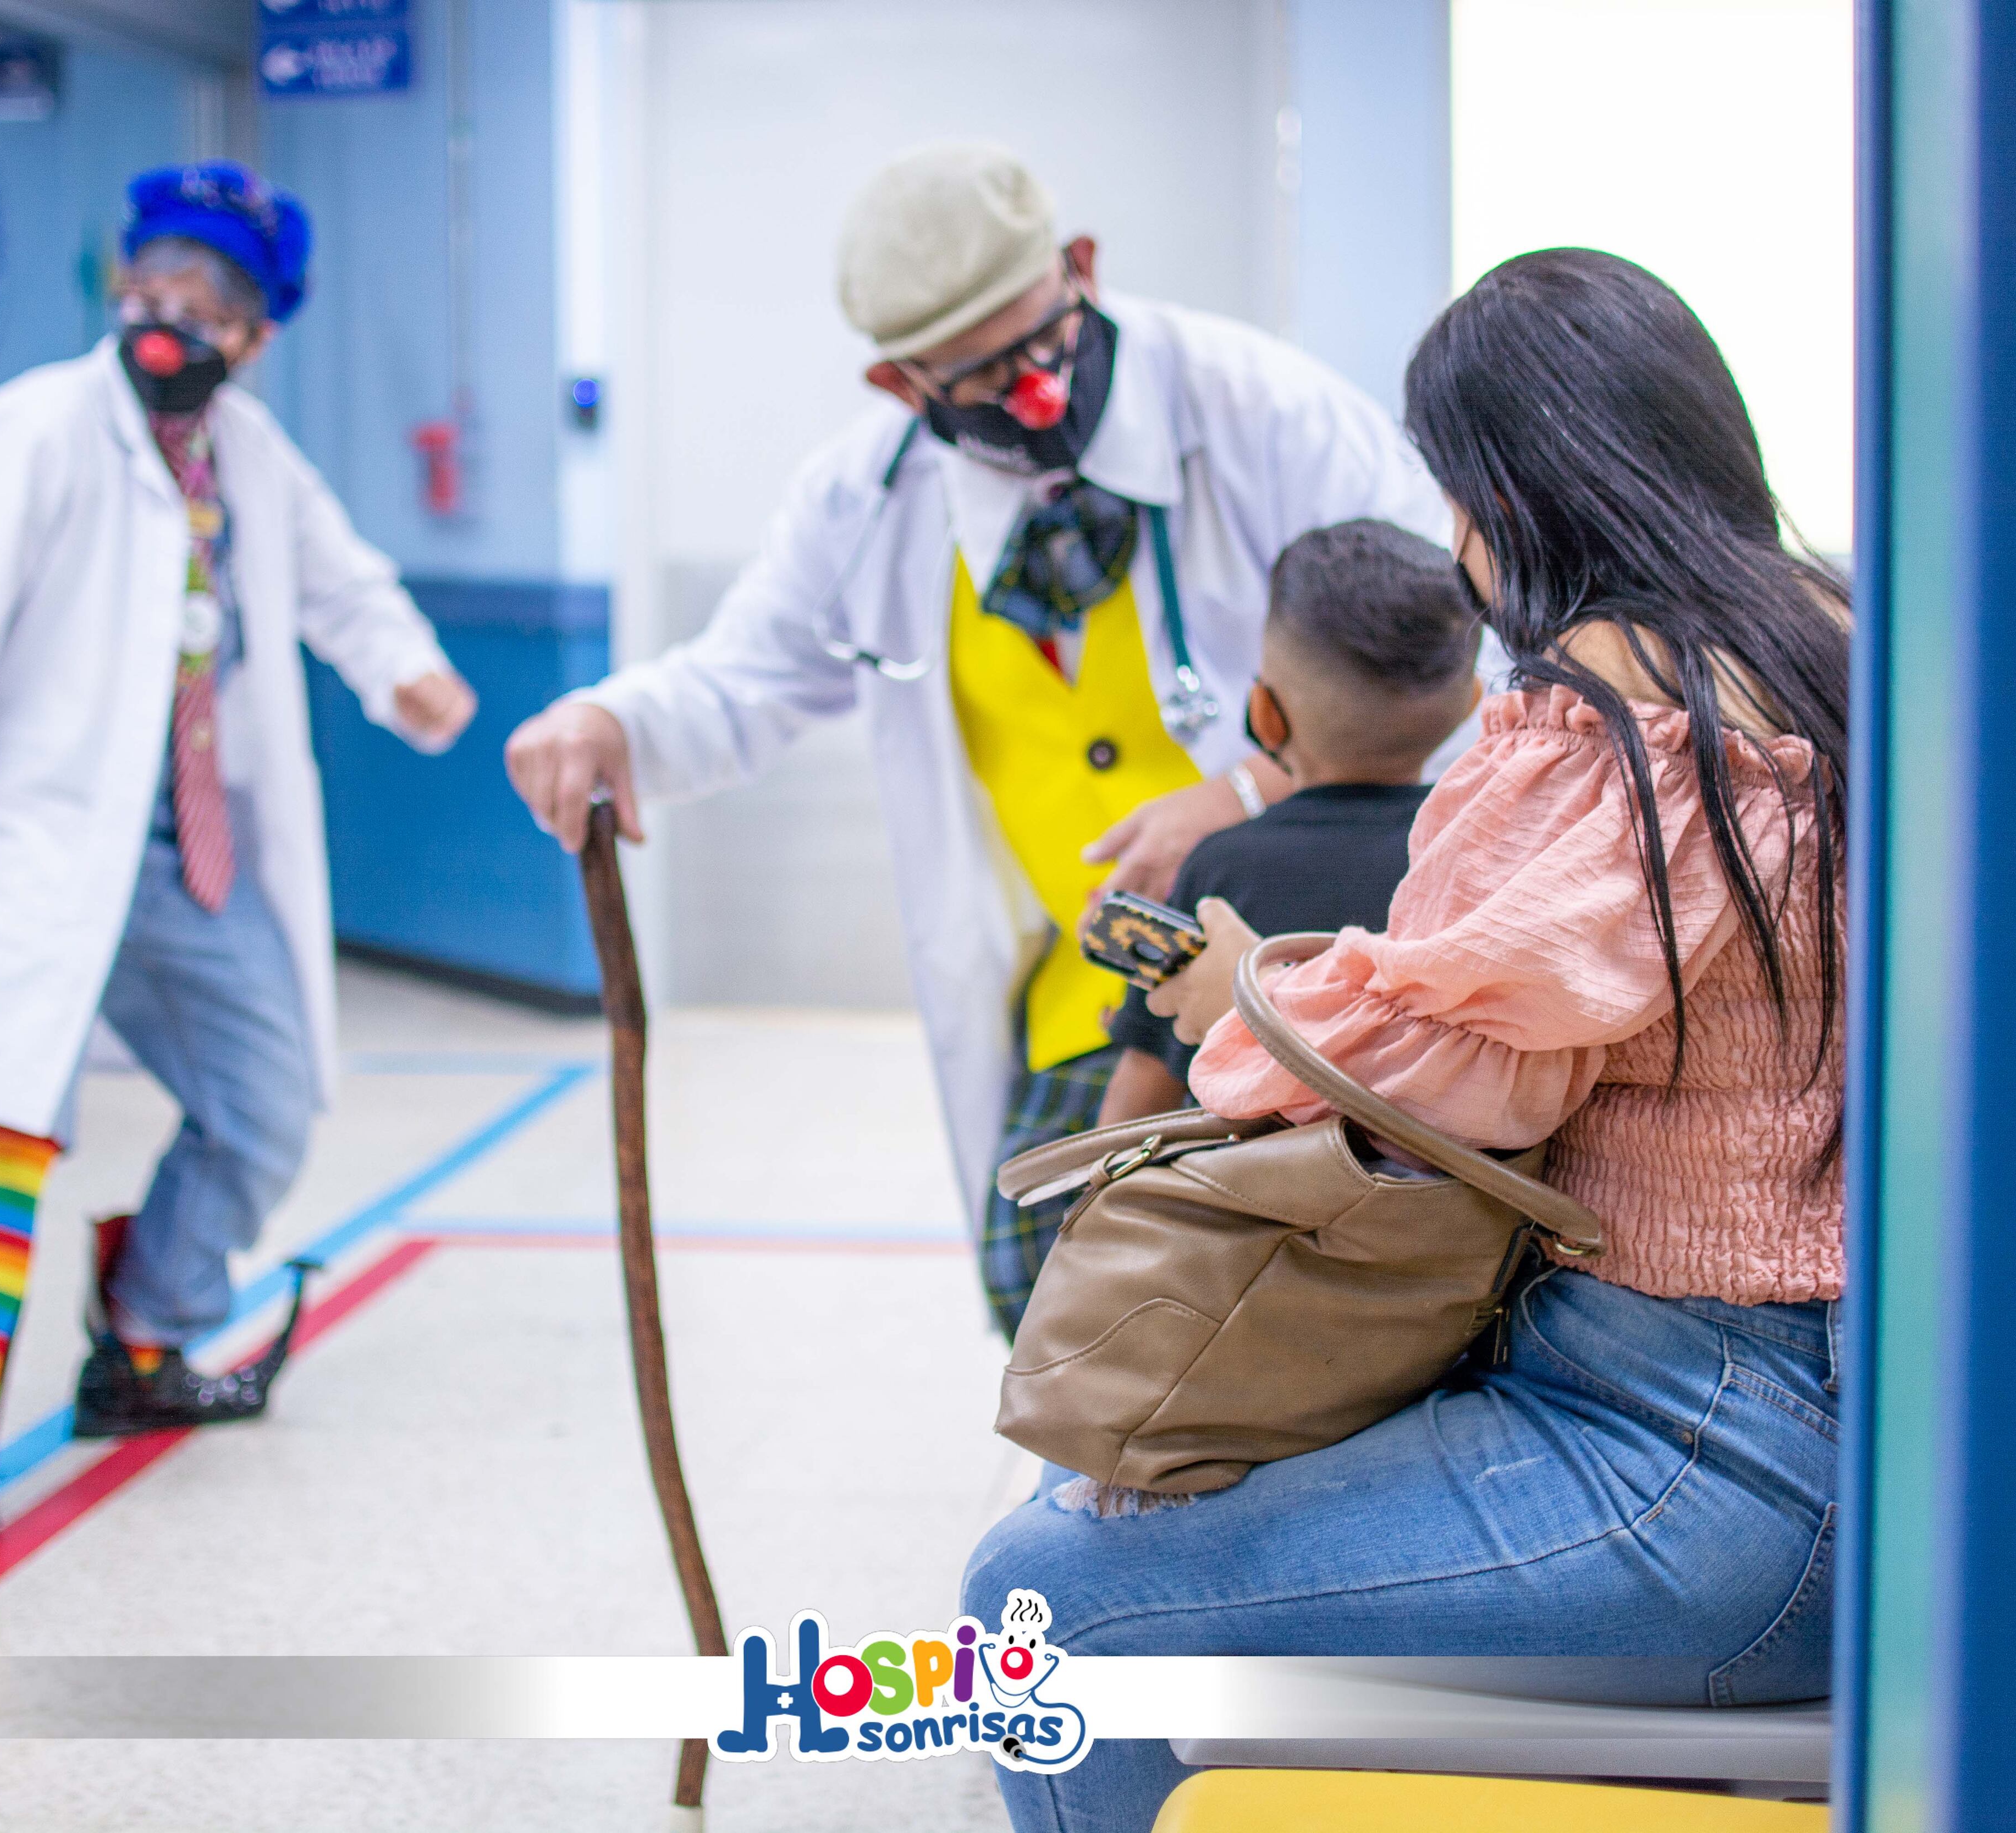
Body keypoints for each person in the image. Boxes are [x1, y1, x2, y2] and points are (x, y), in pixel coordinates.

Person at [962, 247, 1851, 1831]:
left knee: (1045, 1601)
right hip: (1806, 1413)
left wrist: (1247, 996)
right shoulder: (1830, 643)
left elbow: (1445, 1065)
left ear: (1508, 497)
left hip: (1690, 1456)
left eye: (1458, 495)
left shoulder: (1619, 707)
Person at [504, 143, 1452, 1339]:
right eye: (982, 377)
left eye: (1046, 343)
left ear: (1081, 266)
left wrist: (1250, 787)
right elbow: (747, 672)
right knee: (1062, 1314)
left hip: (1306, 970)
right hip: (1082, 999)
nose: (1036, 393)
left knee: (1322, 1314)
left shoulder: (1263, 411)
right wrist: (611, 718)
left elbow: (1442, 643)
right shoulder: (867, 500)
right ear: (901, 383)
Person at [0, 161, 477, 1534]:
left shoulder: (251, 452)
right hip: (34, 836)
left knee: (265, 1099)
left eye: (206, 300)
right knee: (13, 1113)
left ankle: (142, 1343)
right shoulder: (38, 424)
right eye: (151, 283)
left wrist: (409, 674)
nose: (169, 315)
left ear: (255, 333)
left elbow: (345, 584)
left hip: (188, 855)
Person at [1095, 518, 1479, 1125]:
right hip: (1442, 1179)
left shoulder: (1221, 869)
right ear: (1471, 704)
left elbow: (1145, 1086)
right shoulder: (1478, 847)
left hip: (1257, 1184)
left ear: (1265, 715)